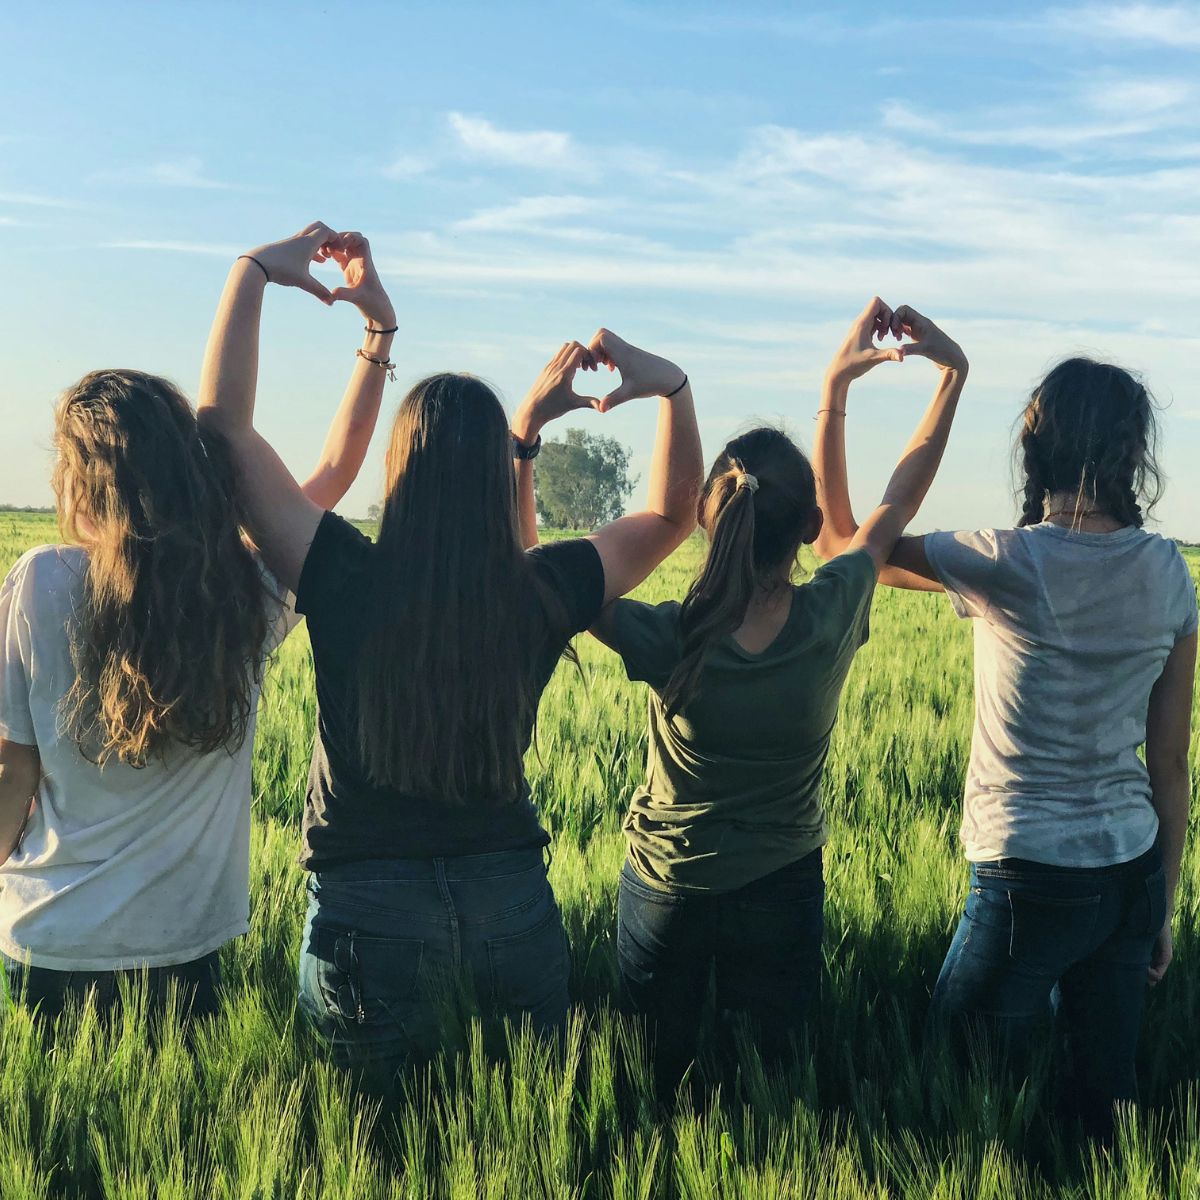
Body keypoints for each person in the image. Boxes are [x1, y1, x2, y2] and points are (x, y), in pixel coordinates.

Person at [197, 222, 704, 1091]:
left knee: (372, 1144)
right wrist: (672, 389)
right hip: (512, 905)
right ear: (491, 477)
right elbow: (670, 514)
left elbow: (222, 433)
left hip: (365, 915)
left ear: (400, 472)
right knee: (526, 1137)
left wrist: (252, 273)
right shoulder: (542, 589)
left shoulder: (341, 573)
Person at [0, 232, 392, 1019]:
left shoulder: (40, 581)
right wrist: (376, 335)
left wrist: (252, 271)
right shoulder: (242, 593)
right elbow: (333, 474)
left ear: (80, 480)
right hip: (185, 950)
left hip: (47, 939)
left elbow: (13, 771)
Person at [584, 298, 968, 1095]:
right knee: (771, 1086)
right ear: (809, 525)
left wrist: (526, 443)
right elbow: (897, 500)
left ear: (707, 521)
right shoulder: (833, 611)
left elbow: (555, 584)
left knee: (650, 1083)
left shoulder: (673, 634)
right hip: (783, 885)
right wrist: (937, 378)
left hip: (667, 885)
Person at [815, 339, 1196, 1138]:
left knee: (952, 1093)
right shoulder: (1169, 571)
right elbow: (1169, 762)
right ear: (1133, 453)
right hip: (1130, 870)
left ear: (1035, 445)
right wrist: (1161, 902)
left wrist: (837, 389)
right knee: (1104, 1107)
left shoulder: (1003, 560)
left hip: (1027, 876)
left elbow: (842, 545)